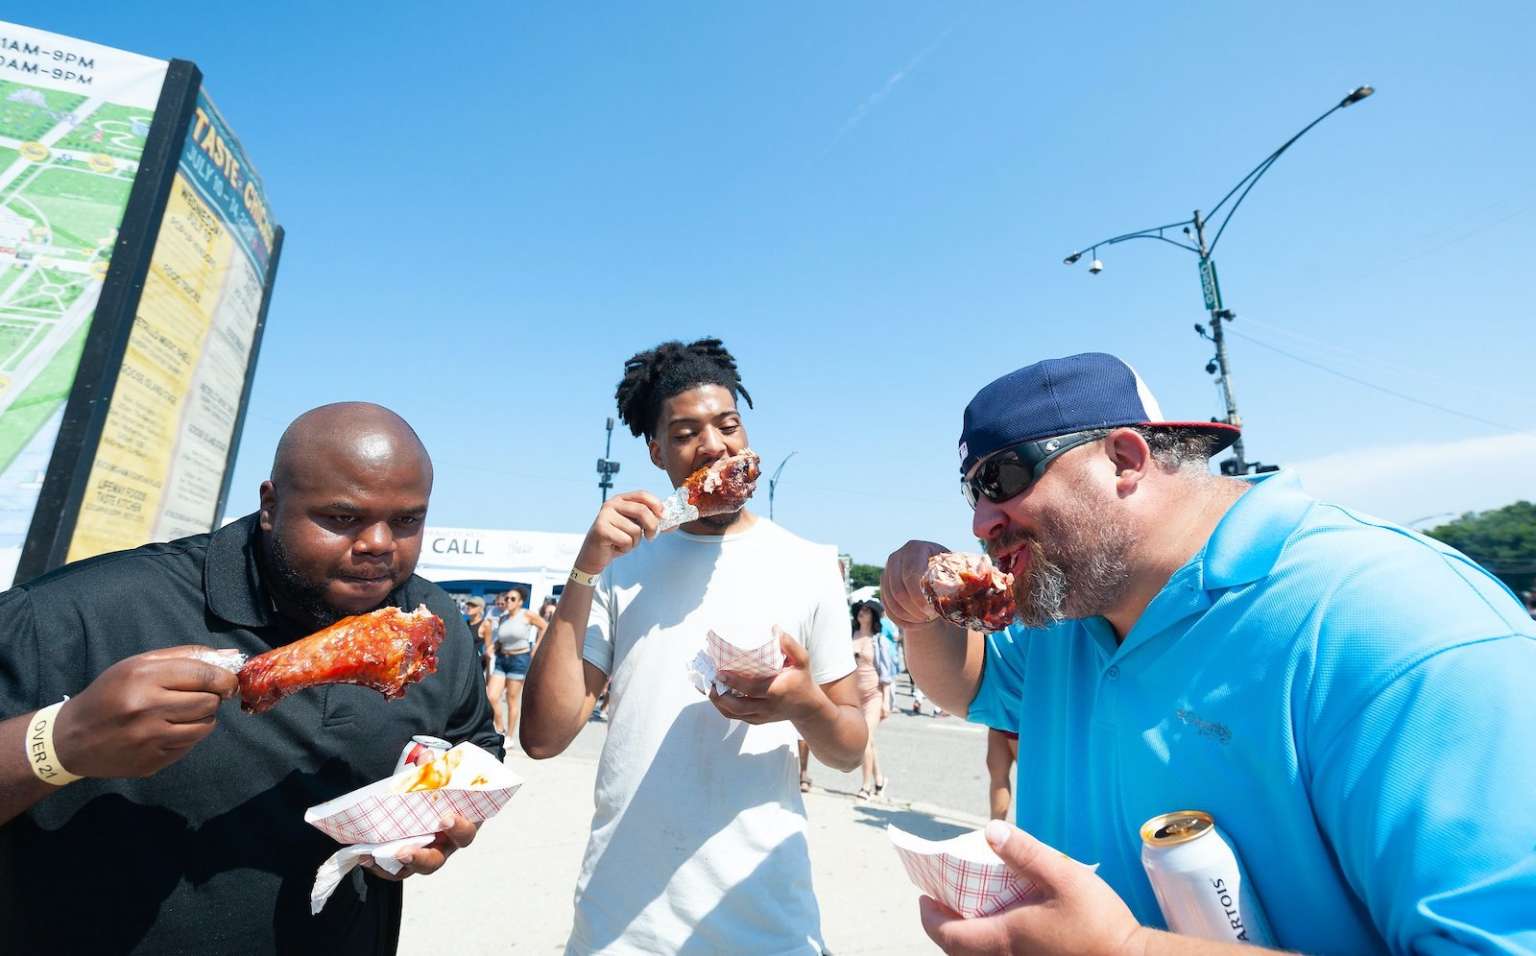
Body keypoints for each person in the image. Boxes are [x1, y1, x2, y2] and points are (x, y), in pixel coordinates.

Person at [882, 352, 1536, 955]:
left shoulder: (1396, 623)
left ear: (1125, 459)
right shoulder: (1072, 614)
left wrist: (1127, 950)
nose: (981, 521)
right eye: (972, 492)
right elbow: (968, 687)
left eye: (1002, 477)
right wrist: (915, 614)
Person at [0, 402, 499, 954]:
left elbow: (472, 744)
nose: (379, 543)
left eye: (406, 521)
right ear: (269, 506)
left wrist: (430, 820)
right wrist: (60, 741)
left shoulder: (431, 625)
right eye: (341, 518)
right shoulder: (79, 613)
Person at [521, 337, 867, 955]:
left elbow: (848, 750)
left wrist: (803, 705)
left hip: (769, 925)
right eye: (685, 433)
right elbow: (544, 737)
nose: (713, 445)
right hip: (623, 928)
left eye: (728, 426)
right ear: (657, 452)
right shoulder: (621, 563)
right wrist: (585, 566)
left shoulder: (810, 565)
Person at [486, 588, 547, 740]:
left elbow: (545, 627)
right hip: (502, 659)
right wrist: (492, 647)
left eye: (513, 599)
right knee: (492, 696)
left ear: (520, 602)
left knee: (511, 699)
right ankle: (500, 727)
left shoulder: (527, 614)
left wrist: (536, 647)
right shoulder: (503, 618)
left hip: (519, 659)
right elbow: (501, 640)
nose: (508, 601)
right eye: (507, 598)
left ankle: (509, 737)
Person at [850, 600, 891, 800]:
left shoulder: (878, 640)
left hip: (873, 695)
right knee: (870, 742)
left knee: (864, 739)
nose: (862, 613)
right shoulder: (850, 635)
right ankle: (879, 779)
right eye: (861, 610)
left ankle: (865, 786)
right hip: (853, 696)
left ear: (873, 616)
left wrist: (886, 702)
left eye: (867, 611)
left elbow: (886, 674)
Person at [984, 727, 1018, 821]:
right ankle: (995, 825)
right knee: (996, 769)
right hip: (1000, 720)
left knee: (1030, 777)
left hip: (1023, 722)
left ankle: (1034, 827)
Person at [464, 595, 492, 674]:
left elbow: (488, 648)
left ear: (480, 608)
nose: (469, 607)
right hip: (465, 662)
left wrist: (488, 672)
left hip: (478, 664)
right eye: (468, 605)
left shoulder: (485, 624)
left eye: (473, 606)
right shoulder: (465, 623)